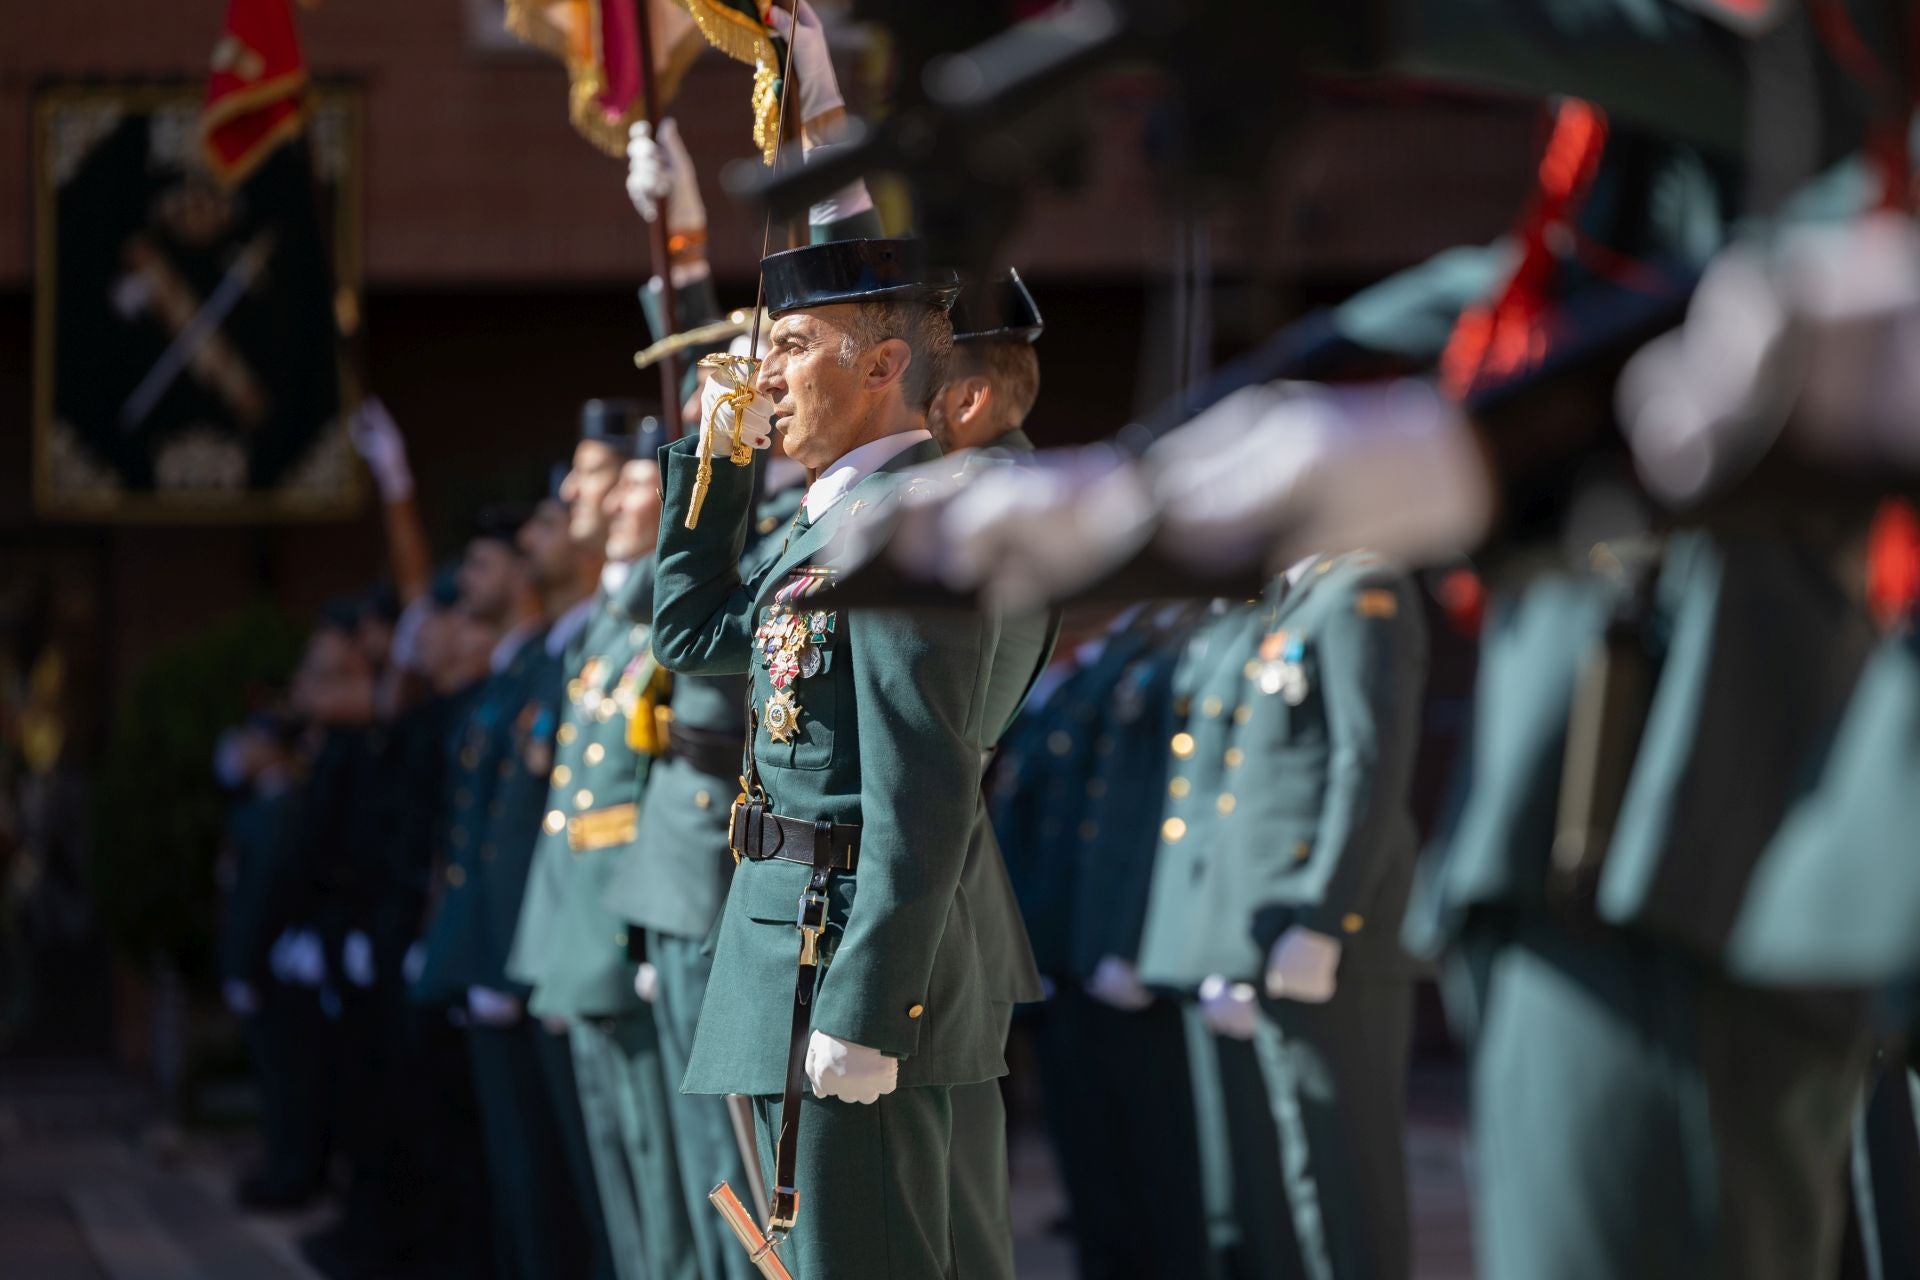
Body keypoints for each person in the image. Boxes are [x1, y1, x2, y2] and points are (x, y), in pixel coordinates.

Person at [649, 236, 1011, 1279]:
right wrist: (720, 457)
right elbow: (688, 634)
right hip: (788, 956)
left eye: (793, 344)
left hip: (841, 965)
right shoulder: (832, 521)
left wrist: (869, 1007)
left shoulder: (906, 524)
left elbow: (925, 787)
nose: (762, 371)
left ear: (884, 364)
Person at [507, 405, 698, 1280]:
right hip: (591, 933)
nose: (601, 498)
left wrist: (641, 934)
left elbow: (664, 794)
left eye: (624, 480)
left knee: (668, 1186)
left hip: (635, 929)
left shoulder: (665, 617)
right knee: (622, 1191)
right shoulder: (608, 627)